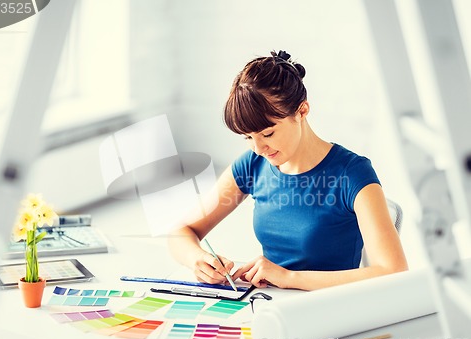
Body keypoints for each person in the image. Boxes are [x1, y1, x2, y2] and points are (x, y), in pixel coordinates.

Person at [168, 50, 408, 291]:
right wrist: (198, 259)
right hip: (269, 305)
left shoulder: (352, 173)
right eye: (248, 137)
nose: (258, 148)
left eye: (268, 134)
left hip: (329, 309)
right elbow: (181, 232)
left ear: (302, 111)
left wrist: (289, 278)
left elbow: (393, 271)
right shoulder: (254, 164)